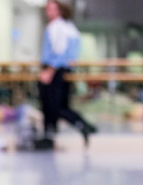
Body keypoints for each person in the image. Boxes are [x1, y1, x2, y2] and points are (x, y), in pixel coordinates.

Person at [38, 0, 97, 146]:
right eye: (48, 9)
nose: (48, 12)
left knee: (52, 106)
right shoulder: (70, 27)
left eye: (52, 9)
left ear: (60, 11)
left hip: (55, 69)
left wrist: (49, 71)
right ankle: (82, 125)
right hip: (65, 69)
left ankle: (57, 132)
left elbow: (59, 50)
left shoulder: (56, 27)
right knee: (61, 105)